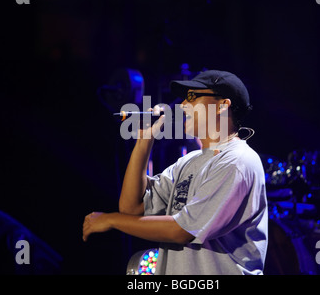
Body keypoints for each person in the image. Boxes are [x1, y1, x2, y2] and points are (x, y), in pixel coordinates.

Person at [82, 70, 268, 275]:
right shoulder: (188, 163)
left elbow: (182, 231)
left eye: (192, 97)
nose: (182, 105)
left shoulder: (238, 161)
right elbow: (131, 208)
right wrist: (145, 140)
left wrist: (111, 220)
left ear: (222, 106)